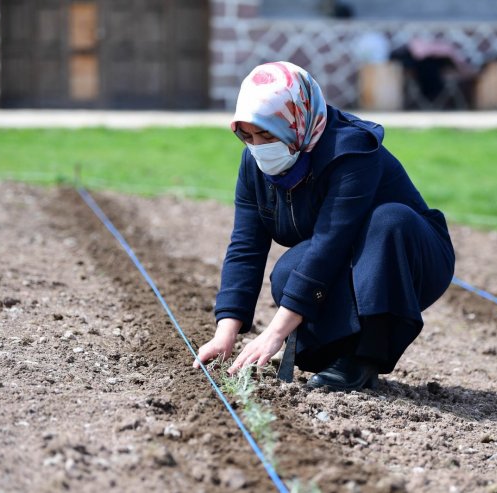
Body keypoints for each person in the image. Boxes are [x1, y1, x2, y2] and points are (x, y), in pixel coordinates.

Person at [193, 61, 455, 391]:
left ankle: (364, 359)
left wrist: (275, 332)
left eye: (267, 134)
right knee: (288, 273)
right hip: (349, 254)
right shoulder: (255, 164)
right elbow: (246, 246)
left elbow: (330, 242)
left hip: (410, 258)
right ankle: (336, 355)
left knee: (389, 219)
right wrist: (225, 333)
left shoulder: (350, 150)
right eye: (247, 136)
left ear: (297, 121)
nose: (258, 147)